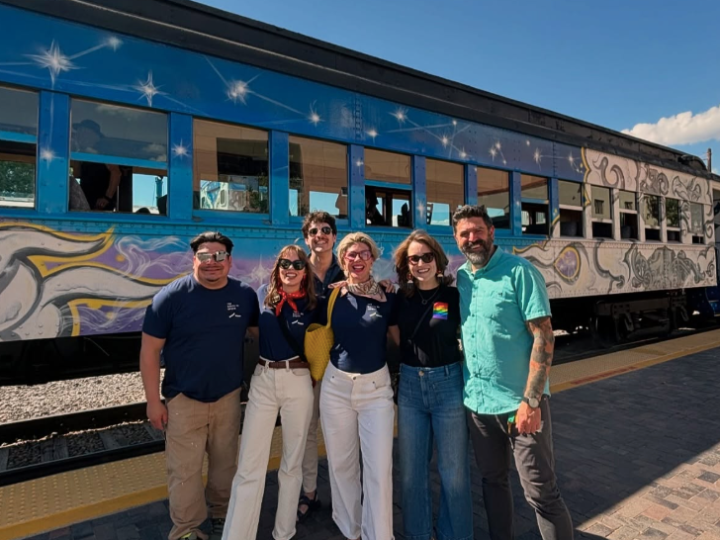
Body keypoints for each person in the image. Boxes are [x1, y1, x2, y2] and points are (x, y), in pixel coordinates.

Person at [452, 205, 574, 540]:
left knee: (541, 493)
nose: (472, 238)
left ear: (491, 232)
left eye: (478, 231)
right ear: (456, 239)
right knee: (493, 482)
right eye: (464, 234)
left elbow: (544, 335)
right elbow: (441, 323)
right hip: (478, 406)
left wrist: (531, 401)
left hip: (519, 405)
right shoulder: (461, 278)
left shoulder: (519, 271)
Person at [140, 231, 259, 540]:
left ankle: (222, 515)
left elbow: (261, 334)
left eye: (219, 256)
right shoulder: (170, 297)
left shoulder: (245, 296)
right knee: (184, 472)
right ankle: (188, 528)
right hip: (183, 398)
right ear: (193, 259)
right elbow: (150, 351)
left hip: (228, 397)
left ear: (230, 262)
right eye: (205, 256)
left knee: (224, 465)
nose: (212, 263)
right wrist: (154, 401)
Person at [224, 245, 318, 540]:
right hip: (263, 379)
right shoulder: (264, 292)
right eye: (284, 263)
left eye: (297, 264)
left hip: (298, 380)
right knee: (249, 464)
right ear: (277, 267)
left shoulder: (316, 303)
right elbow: (253, 330)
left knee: (292, 464)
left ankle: (284, 533)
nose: (290, 268)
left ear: (306, 271)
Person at [389, 230, 473, 540]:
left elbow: (440, 330)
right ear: (406, 264)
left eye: (427, 257)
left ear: (437, 260)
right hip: (411, 387)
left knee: (453, 475)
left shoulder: (452, 296)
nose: (421, 263)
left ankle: (456, 535)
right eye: (414, 258)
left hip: (448, 384)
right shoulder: (400, 297)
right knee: (412, 474)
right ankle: (418, 534)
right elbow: (398, 332)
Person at [320, 232, 398, 540]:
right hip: (335, 387)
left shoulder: (388, 296)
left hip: (376, 390)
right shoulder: (332, 295)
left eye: (364, 253)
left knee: (378, 470)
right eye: (351, 254)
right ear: (342, 261)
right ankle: (351, 530)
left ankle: (379, 535)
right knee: (341, 466)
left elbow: (403, 334)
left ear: (373, 259)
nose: (357, 259)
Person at [297, 211, 346, 522]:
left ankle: (345, 495)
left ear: (334, 236)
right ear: (306, 238)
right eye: (314, 231)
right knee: (307, 430)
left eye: (326, 230)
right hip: (307, 363)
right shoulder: (297, 271)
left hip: (342, 362)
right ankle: (310, 491)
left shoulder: (348, 269)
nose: (320, 235)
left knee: (342, 432)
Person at [71, 119, 130, 211]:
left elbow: (116, 173)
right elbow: (77, 174)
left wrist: (107, 198)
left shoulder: (104, 151)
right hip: (87, 202)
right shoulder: (85, 154)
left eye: (82, 132)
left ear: (92, 135)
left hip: (99, 205)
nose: (79, 135)